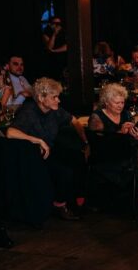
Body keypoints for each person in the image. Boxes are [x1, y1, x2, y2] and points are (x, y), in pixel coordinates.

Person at [6, 77, 88, 222]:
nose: (58, 100)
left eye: (58, 96)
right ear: (41, 98)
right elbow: (10, 132)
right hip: (31, 156)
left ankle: (77, 201)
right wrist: (37, 140)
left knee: (78, 157)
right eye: (54, 97)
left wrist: (85, 142)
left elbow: (74, 121)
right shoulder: (29, 111)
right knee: (63, 171)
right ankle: (59, 205)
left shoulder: (54, 110)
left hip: (49, 151)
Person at [88, 83, 138, 218]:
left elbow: (134, 140)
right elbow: (99, 145)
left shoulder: (125, 114)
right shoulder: (97, 117)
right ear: (106, 102)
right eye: (117, 103)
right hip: (108, 156)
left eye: (122, 102)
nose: (120, 106)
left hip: (126, 151)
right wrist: (120, 132)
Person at [41, 16, 68, 80]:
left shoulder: (64, 32)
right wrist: (54, 34)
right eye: (55, 23)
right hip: (52, 62)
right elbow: (49, 47)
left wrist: (54, 51)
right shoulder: (46, 33)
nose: (57, 26)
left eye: (59, 24)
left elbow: (67, 46)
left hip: (63, 60)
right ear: (50, 24)